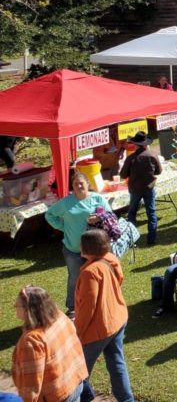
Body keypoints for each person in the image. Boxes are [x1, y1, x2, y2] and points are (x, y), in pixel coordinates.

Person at [74, 229, 134, 402]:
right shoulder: (111, 259)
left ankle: (86, 398)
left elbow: (88, 307)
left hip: (99, 329)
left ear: (87, 247)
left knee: (78, 371)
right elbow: (119, 280)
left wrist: (78, 333)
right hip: (117, 319)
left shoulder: (90, 272)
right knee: (117, 363)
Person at [45, 172, 112, 315]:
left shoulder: (97, 198)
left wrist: (99, 217)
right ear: (73, 187)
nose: (79, 186)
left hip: (95, 250)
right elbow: (49, 214)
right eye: (76, 184)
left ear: (88, 184)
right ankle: (73, 307)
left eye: (81, 183)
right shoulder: (65, 203)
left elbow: (110, 215)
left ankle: (100, 303)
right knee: (75, 278)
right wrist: (63, 227)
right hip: (74, 248)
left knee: (98, 276)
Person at [12, 286, 88, 402]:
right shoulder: (59, 317)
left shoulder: (32, 341)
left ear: (28, 310)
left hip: (56, 396)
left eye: (17, 305)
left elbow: (31, 385)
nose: (15, 307)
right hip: (74, 384)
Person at [119, 132, 162, 246]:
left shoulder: (131, 158)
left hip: (135, 189)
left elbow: (123, 175)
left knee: (132, 213)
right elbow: (158, 171)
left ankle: (131, 239)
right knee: (151, 213)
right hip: (149, 188)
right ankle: (151, 239)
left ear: (135, 145)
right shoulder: (153, 155)